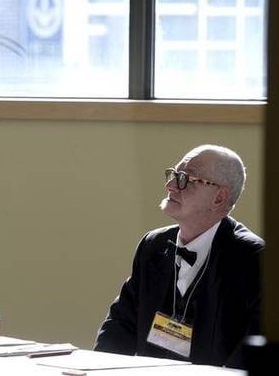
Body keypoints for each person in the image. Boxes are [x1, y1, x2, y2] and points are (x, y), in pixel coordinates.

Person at [94, 145, 264, 368]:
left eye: (186, 179)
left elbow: (253, 353)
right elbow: (120, 324)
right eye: (173, 175)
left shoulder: (255, 259)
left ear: (219, 198)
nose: (170, 185)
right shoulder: (153, 245)